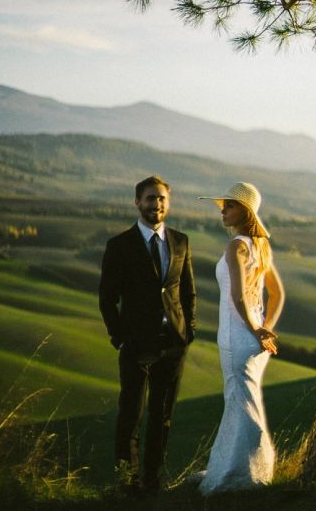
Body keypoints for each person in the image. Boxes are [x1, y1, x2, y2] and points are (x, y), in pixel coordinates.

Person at [99, 175, 196, 495]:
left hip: (173, 345)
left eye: (162, 199)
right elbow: (106, 298)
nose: (157, 204)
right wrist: (121, 339)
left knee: (162, 417)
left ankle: (153, 481)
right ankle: (127, 484)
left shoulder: (181, 241)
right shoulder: (119, 245)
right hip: (136, 345)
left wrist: (188, 331)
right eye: (151, 198)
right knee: (130, 416)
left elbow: (187, 292)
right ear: (137, 202)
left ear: (169, 202)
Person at [193, 182, 285, 495]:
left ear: (244, 211)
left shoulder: (237, 246)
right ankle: (237, 471)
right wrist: (265, 326)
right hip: (253, 338)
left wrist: (257, 329)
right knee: (241, 401)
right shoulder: (260, 246)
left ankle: (249, 478)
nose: (222, 210)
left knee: (241, 403)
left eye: (229, 205)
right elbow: (277, 294)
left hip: (237, 336)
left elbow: (236, 295)